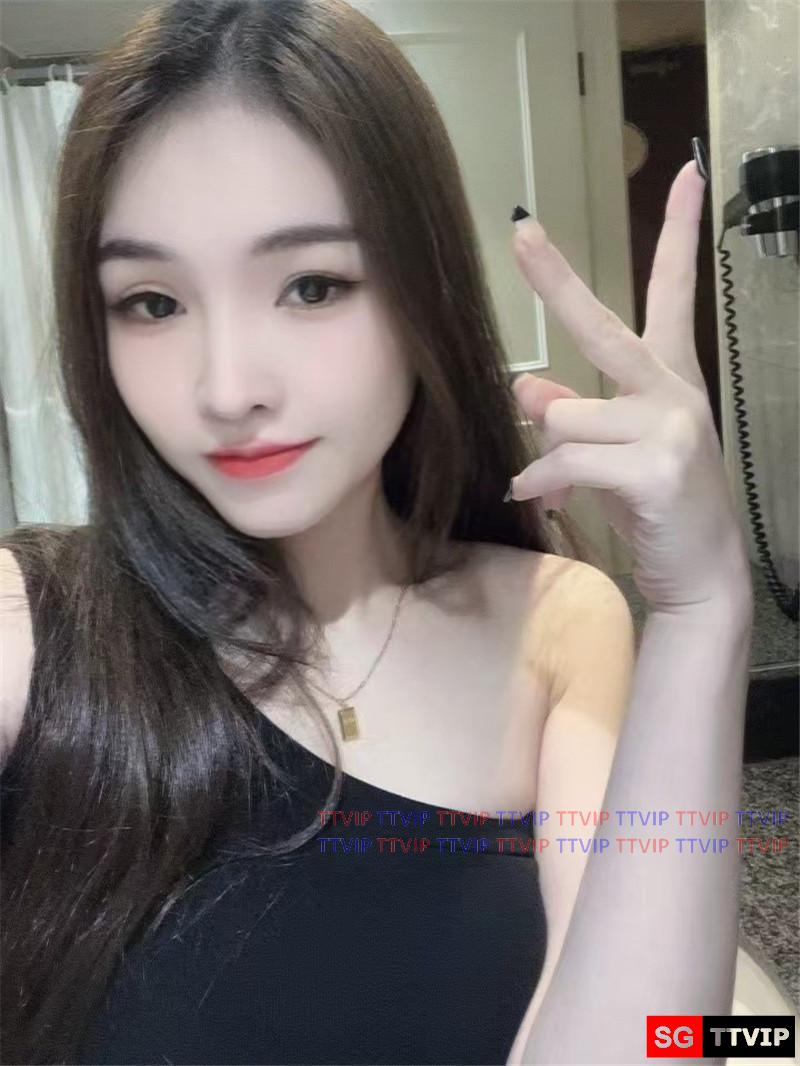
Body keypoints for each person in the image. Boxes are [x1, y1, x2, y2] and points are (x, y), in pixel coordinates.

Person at [0, 1, 754, 1064]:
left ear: (424, 288)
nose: (226, 389)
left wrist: (703, 609)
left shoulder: (553, 619)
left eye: (312, 285)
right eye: (153, 303)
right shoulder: (33, 625)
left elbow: (667, 1045)